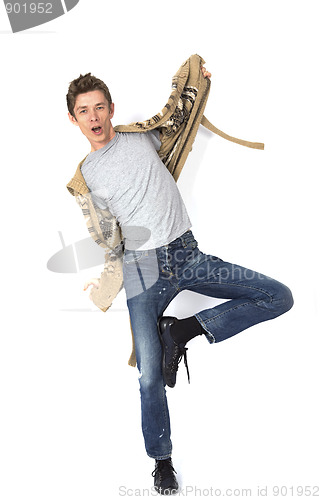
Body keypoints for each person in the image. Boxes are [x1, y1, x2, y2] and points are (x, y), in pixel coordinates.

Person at [66, 62, 293, 495]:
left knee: (278, 296)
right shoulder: (86, 176)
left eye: (98, 107)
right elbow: (107, 235)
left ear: (111, 109)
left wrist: (198, 82)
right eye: (83, 111)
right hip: (141, 270)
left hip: (187, 254)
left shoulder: (139, 136)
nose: (93, 117)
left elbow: (178, 118)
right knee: (149, 376)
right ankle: (162, 461)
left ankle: (183, 331)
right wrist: (106, 272)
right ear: (73, 119)